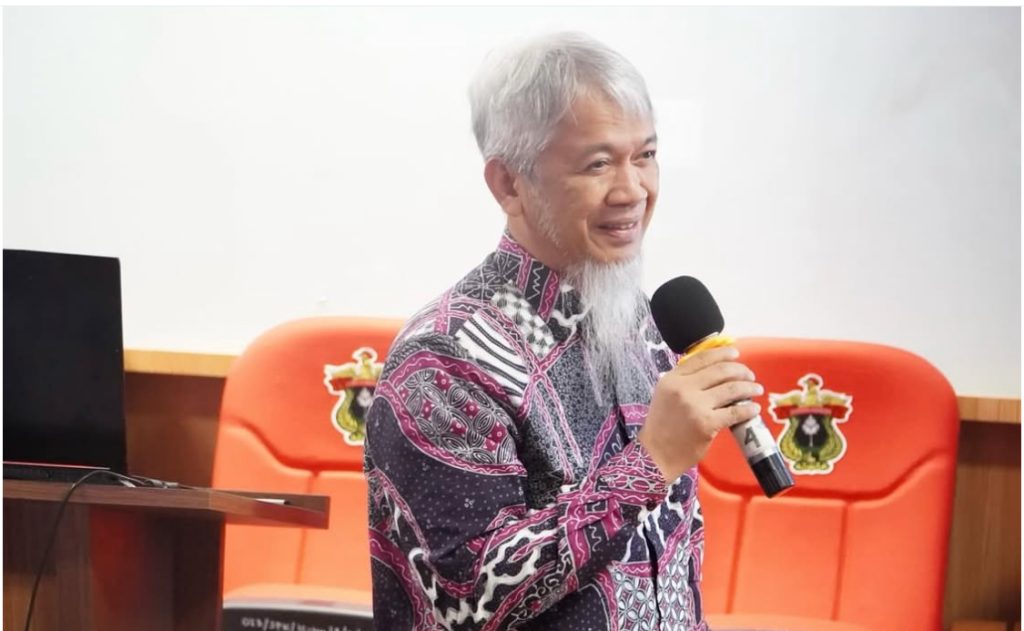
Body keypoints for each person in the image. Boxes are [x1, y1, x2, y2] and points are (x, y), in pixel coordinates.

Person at [365, 32, 762, 631]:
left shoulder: (644, 325)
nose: (633, 191)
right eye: (598, 164)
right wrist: (650, 463)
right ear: (509, 184)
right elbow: (465, 601)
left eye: (645, 155)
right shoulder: (444, 360)